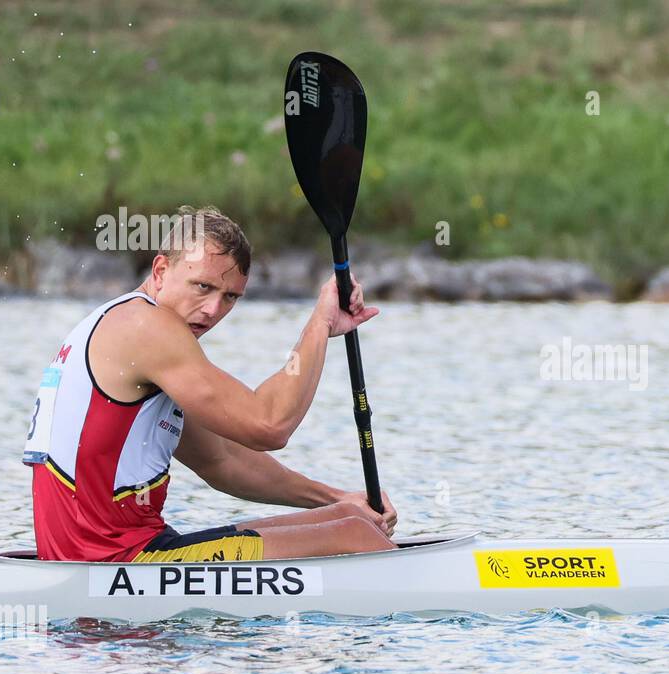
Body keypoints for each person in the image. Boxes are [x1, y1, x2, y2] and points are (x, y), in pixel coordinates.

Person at [24, 205, 397, 563]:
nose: (213, 310)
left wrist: (338, 499)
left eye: (230, 296)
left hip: (115, 552)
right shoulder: (146, 328)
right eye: (202, 287)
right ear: (160, 271)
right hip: (114, 560)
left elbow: (223, 460)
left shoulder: (122, 326)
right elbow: (269, 425)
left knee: (355, 523)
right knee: (357, 539)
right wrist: (321, 324)